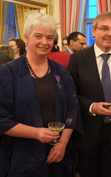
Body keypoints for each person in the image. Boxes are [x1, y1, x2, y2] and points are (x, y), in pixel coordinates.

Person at [0, 13, 84, 177]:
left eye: (49, 37)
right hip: (20, 154)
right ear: (26, 37)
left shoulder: (61, 71)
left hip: (58, 153)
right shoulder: (7, 73)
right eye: (38, 36)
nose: (44, 42)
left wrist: (62, 143)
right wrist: (36, 133)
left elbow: (73, 110)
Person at [68, 12, 111, 177]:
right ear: (94, 32)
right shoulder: (78, 59)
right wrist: (91, 107)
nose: (110, 34)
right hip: (89, 131)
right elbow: (71, 93)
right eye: (104, 28)